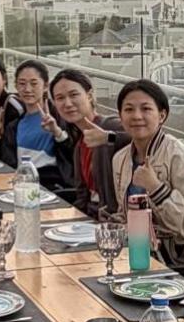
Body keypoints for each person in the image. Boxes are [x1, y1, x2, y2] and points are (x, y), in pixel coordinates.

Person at [111, 80, 184, 259]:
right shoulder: (120, 159)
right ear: (120, 116)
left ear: (162, 115)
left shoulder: (179, 156)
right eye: (129, 109)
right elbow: (125, 213)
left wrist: (156, 188)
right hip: (138, 248)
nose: (137, 116)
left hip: (180, 256)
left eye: (146, 109)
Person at [49, 69, 127, 216]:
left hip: (115, 220)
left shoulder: (109, 126)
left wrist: (109, 138)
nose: (67, 103)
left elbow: (144, 140)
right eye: (60, 98)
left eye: (74, 95)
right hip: (92, 217)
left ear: (89, 96)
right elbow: (82, 196)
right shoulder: (80, 144)